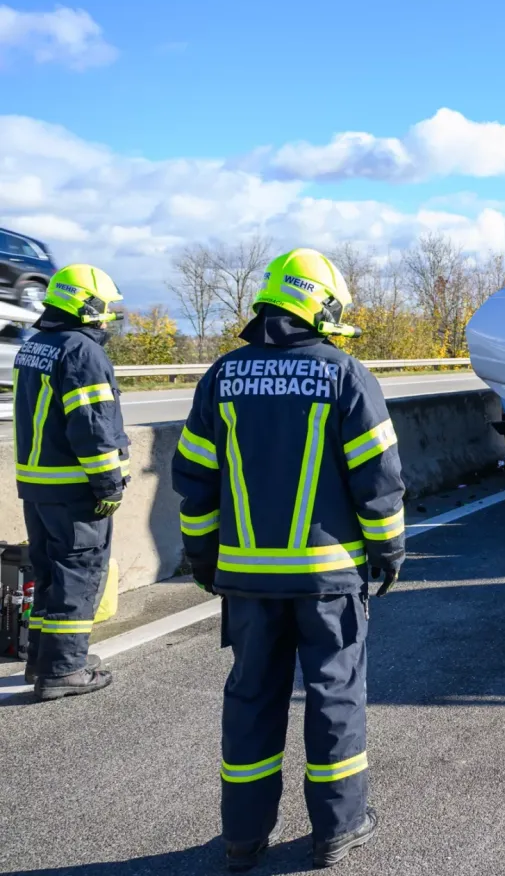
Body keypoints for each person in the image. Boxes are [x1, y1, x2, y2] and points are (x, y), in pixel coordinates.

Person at [172, 248, 406, 871]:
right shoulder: (345, 375)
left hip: (247, 583)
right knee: (334, 698)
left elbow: (194, 480)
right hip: (327, 581)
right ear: (320, 307)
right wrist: (388, 550)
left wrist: (202, 557)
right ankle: (338, 829)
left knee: (251, 699)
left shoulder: (222, 376)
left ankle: (243, 838)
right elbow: (379, 479)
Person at [17, 265, 127, 700]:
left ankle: (41, 660)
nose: (108, 317)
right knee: (78, 573)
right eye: (106, 308)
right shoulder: (81, 351)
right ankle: (64, 669)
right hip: (74, 488)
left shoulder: (34, 346)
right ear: (88, 305)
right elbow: (92, 425)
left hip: (37, 486)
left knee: (48, 573)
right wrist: (108, 484)